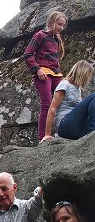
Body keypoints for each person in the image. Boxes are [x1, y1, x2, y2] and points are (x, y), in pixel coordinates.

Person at [24, 11, 67, 141]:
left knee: (64, 100)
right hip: (43, 74)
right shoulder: (40, 35)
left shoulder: (56, 40)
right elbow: (27, 54)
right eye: (59, 24)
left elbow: (55, 60)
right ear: (51, 22)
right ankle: (43, 137)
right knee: (47, 104)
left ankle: (62, 131)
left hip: (56, 73)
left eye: (63, 26)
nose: (61, 28)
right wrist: (37, 70)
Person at [42, 60, 94, 141]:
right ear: (82, 73)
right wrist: (47, 134)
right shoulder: (65, 84)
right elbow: (52, 109)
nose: (88, 79)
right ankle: (92, 131)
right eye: (87, 76)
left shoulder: (78, 89)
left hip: (76, 129)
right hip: (64, 125)